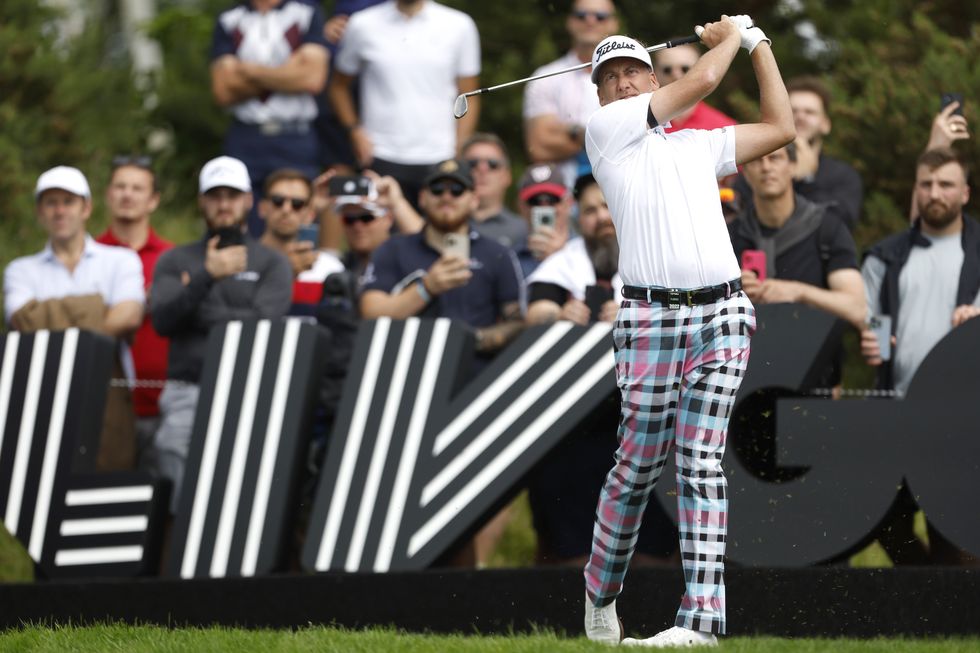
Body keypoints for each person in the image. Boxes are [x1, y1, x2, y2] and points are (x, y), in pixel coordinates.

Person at [581, 16, 794, 647]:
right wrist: (731, 33)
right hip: (648, 319)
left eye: (631, 73)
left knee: (700, 460)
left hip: (722, 314)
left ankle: (701, 621)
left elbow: (781, 127)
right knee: (638, 465)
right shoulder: (606, 134)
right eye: (609, 79)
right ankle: (601, 591)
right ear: (600, 96)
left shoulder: (699, 145)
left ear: (650, 75)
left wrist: (758, 44)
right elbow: (702, 76)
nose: (621, 85)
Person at [149, 156, 292, 511]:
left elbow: (266, 327)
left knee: (247, 485)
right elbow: (163, 321)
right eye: (215, 195)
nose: (224, 204)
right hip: (188, 389)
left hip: (251, 389)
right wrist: (207, 276)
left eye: (232, 195)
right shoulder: (174, 259)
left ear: (247, 199)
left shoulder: (272, 262)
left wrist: (197, 303)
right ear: (201, 201)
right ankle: (177, 554)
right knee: (170, 447)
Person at [861, 146, 980, 567]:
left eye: (946, 184)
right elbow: (869, 317)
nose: (935, 193)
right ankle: (928, 588)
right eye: (926, 184)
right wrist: (873, 340)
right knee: (883, 519)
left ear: (965, 192)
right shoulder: (884, 257)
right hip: (899, 408)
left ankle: (951, 603)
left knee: (958, 526)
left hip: (964, 413)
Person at [4, 166, 145, 471]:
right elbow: (22, 322)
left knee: (106, 487)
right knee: (43, 485)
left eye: (68, 201)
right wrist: (98, 307)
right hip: (42, 397)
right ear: (40, 211)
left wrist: (47, 317)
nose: (59, 211)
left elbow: (128, 316)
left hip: (109, 395)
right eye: (51, 202)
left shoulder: (120, 260)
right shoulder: (20, 270)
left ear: (86, 208)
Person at [360, 158, 525, 372]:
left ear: (474, 199)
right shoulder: (393, 249)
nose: (447, 197)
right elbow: (371, 314)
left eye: (457, 189)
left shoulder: (496, 253)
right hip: (406, 372)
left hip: (475, 378)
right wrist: (426, 288)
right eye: (437, 189)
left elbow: (517, 322)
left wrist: (469, 340)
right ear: (422, 198)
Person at [329, 0, 481, 207]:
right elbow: (338, 86)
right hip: (380, 153)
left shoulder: (459, 25)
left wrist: (459, 147)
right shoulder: (362, 24)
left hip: (440, 155)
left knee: (438, 236)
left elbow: (469, 94)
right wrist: (354, 130)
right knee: (377, 236)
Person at [210, 0, 330, 237]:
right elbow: (223, 91)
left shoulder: (307, 12)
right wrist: (289, 71)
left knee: (298, 218)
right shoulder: (229, 18)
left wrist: (249, 71)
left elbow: (312, 79)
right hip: (246, 135)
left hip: (295, 136)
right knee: (240, 220)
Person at [729, 143, 865, 330]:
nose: (766, 167)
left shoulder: (827, 227)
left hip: (814, 355)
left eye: (775, 158)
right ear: (745, 173)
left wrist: (798, 293)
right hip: (749, 356)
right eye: (757, 160)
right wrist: (731, 289)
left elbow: (858, 309)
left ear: (793, 166)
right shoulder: (729, 235)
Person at [96, 156, 174, 468]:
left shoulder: (173, 259)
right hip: (103, 405)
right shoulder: (88, 256)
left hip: (159, 406)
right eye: (120, 186)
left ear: (153, 200)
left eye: (137, 188)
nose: (128, 194)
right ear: (108, 195)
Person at [735, 76, 864, 230]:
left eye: (809, 112)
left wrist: (807, 181)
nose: (800, 117)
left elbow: (841, 224)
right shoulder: (758, 168)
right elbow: (738, 221)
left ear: (825, 124)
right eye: (792, 111)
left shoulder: (843, 176)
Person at [523, 0, 619, 187]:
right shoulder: (545, 77)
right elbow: (539, 147)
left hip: (620, 190)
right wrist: (608, 137)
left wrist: (573, 131)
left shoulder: (629, 79)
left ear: (614, 23)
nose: (590, 21)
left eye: (600, 16)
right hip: (564, 196)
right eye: (582, 15)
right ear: (570, 21)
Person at [257, 168, 344, 316]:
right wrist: (286, 271)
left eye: (297, 204)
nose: (286, 209)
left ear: (310, 214)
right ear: (262, 208)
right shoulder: (242, 260)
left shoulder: (330, 267)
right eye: (278, 201)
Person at [461, 133, 528, 252]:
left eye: (492, 164)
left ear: (507, 176)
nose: (482, 169)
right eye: (472, 164)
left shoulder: (524, 230)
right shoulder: (438, 226)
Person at [652, 42, 736, 133]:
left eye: (685, 69)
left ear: (699, 71)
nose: (676, 75)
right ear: (654, 75)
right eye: (667, 70)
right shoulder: (639, 123)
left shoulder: (724, 128)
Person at [514, 164, 574, 279]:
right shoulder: (512, 258)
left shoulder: (587, 249)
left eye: (552, 199)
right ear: (521, 207)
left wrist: (559, 256)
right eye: (534, 201)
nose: (544, 207)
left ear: (568, 203)